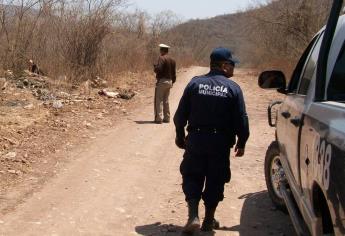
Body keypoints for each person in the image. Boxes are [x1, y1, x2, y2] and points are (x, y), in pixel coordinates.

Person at [173, 47, 249, 233]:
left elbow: (179, 116)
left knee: (192, 174)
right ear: (224, 66)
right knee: (216, 178)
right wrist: (242, 141)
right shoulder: (233, 88)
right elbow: (242, 119)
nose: (233, 69)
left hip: (196, 139)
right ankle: (208, 220)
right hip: (220, 143)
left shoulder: (195, 84)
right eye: (232, 65)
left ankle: (193, 216)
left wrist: (180, 135)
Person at [153, 44, 176, 124]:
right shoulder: (172, 59)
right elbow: (174, 73)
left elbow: (158, 69)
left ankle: (158, 119)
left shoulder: (162, 58)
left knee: (158, 100)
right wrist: (173, 82)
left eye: (160, 50)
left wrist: (155, 67)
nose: (160, 52)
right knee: (166, 100)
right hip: (169, 81)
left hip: (162, 81)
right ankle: (167, 118)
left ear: (162, 51)